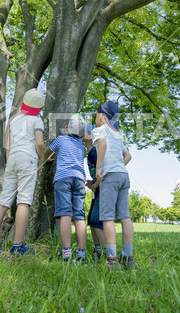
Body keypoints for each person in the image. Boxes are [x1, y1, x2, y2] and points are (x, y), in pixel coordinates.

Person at [0, 88, 44, 256]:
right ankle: (18, 246)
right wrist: (40, 157)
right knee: (24, 201)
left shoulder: (15, 120)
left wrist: (10, 161)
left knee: (3, 203)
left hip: (12, 160)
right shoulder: (37, 120)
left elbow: (8, 146)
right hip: (28, 159)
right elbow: (39, 143)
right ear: (39, 107)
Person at [92, 101, 134, 270]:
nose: (95, 118)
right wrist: (119, 167)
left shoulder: (99, 131)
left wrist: (100, 167)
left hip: (110, 177)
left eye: (96, 114)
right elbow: (128, 156)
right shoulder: (117, 133)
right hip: (123, 176)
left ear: (102, 116)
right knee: (125, 216)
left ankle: (112, 259)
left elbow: (101, 145)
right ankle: (128, 258)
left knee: (107, 217)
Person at [44, 114, 87, 262]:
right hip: (80, 180)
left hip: (63, 179)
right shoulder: (80, 145)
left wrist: (46, 159)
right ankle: (81, 254)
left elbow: (46, 152)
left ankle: (66, 254)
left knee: (65, 215)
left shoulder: (60, 139)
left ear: (67, 128)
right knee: (79, 216)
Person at [82, 126, 105, 259]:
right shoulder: (90, 153)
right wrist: (93, 182)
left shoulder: (95, 152)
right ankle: (97, 250)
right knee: (91, 220)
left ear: (91, 136)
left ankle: (106, 253)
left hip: (103, 190)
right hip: (98, 189)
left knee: (96, 221)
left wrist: (95, 185)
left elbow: (104, 173)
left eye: (84, 131)